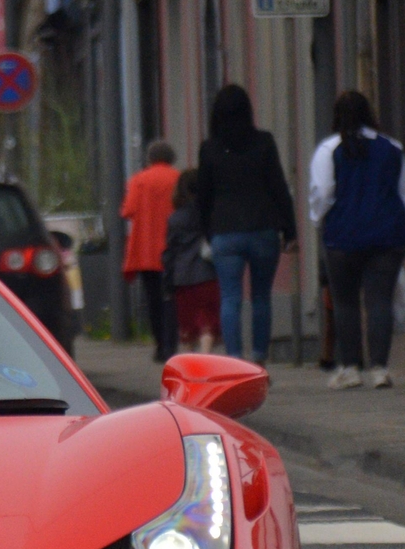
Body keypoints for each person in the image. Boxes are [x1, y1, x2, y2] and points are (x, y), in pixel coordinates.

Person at [308, 90, 405, 389]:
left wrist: (319, 219)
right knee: (380, 300)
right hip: (387, 234)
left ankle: (350, 367)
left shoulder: (330, 149)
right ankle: (379, 367)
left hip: (343, 235)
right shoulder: (392, 148)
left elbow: (323, 192)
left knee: (345, 302)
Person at [193, 84, 298, 364]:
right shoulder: (264, 142)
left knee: (230, 298)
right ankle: (259, 359)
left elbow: (203, 195)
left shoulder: (210, 149)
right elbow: (278, 187)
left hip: (225, 232)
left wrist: (206, 231)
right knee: (262, 298)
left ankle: (234, 361)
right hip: (263, 228)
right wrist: (290, 230)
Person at [120, 139, 182, 360]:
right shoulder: (178, 178)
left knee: (153, 300)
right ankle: (171, 345)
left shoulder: (139, 180)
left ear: (150, 158)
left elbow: (127, 210)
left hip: (146, 251)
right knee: (172, 299)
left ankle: (159, 346)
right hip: (173, 248)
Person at [160, 170, 220, 354]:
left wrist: (168, 282)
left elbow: (170, 253)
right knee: (208, 324)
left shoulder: (175, 218)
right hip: (208, 274)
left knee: (188, 329)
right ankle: (206, 358)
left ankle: (189, 371)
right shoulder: (210, 214)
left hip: (183, 278)